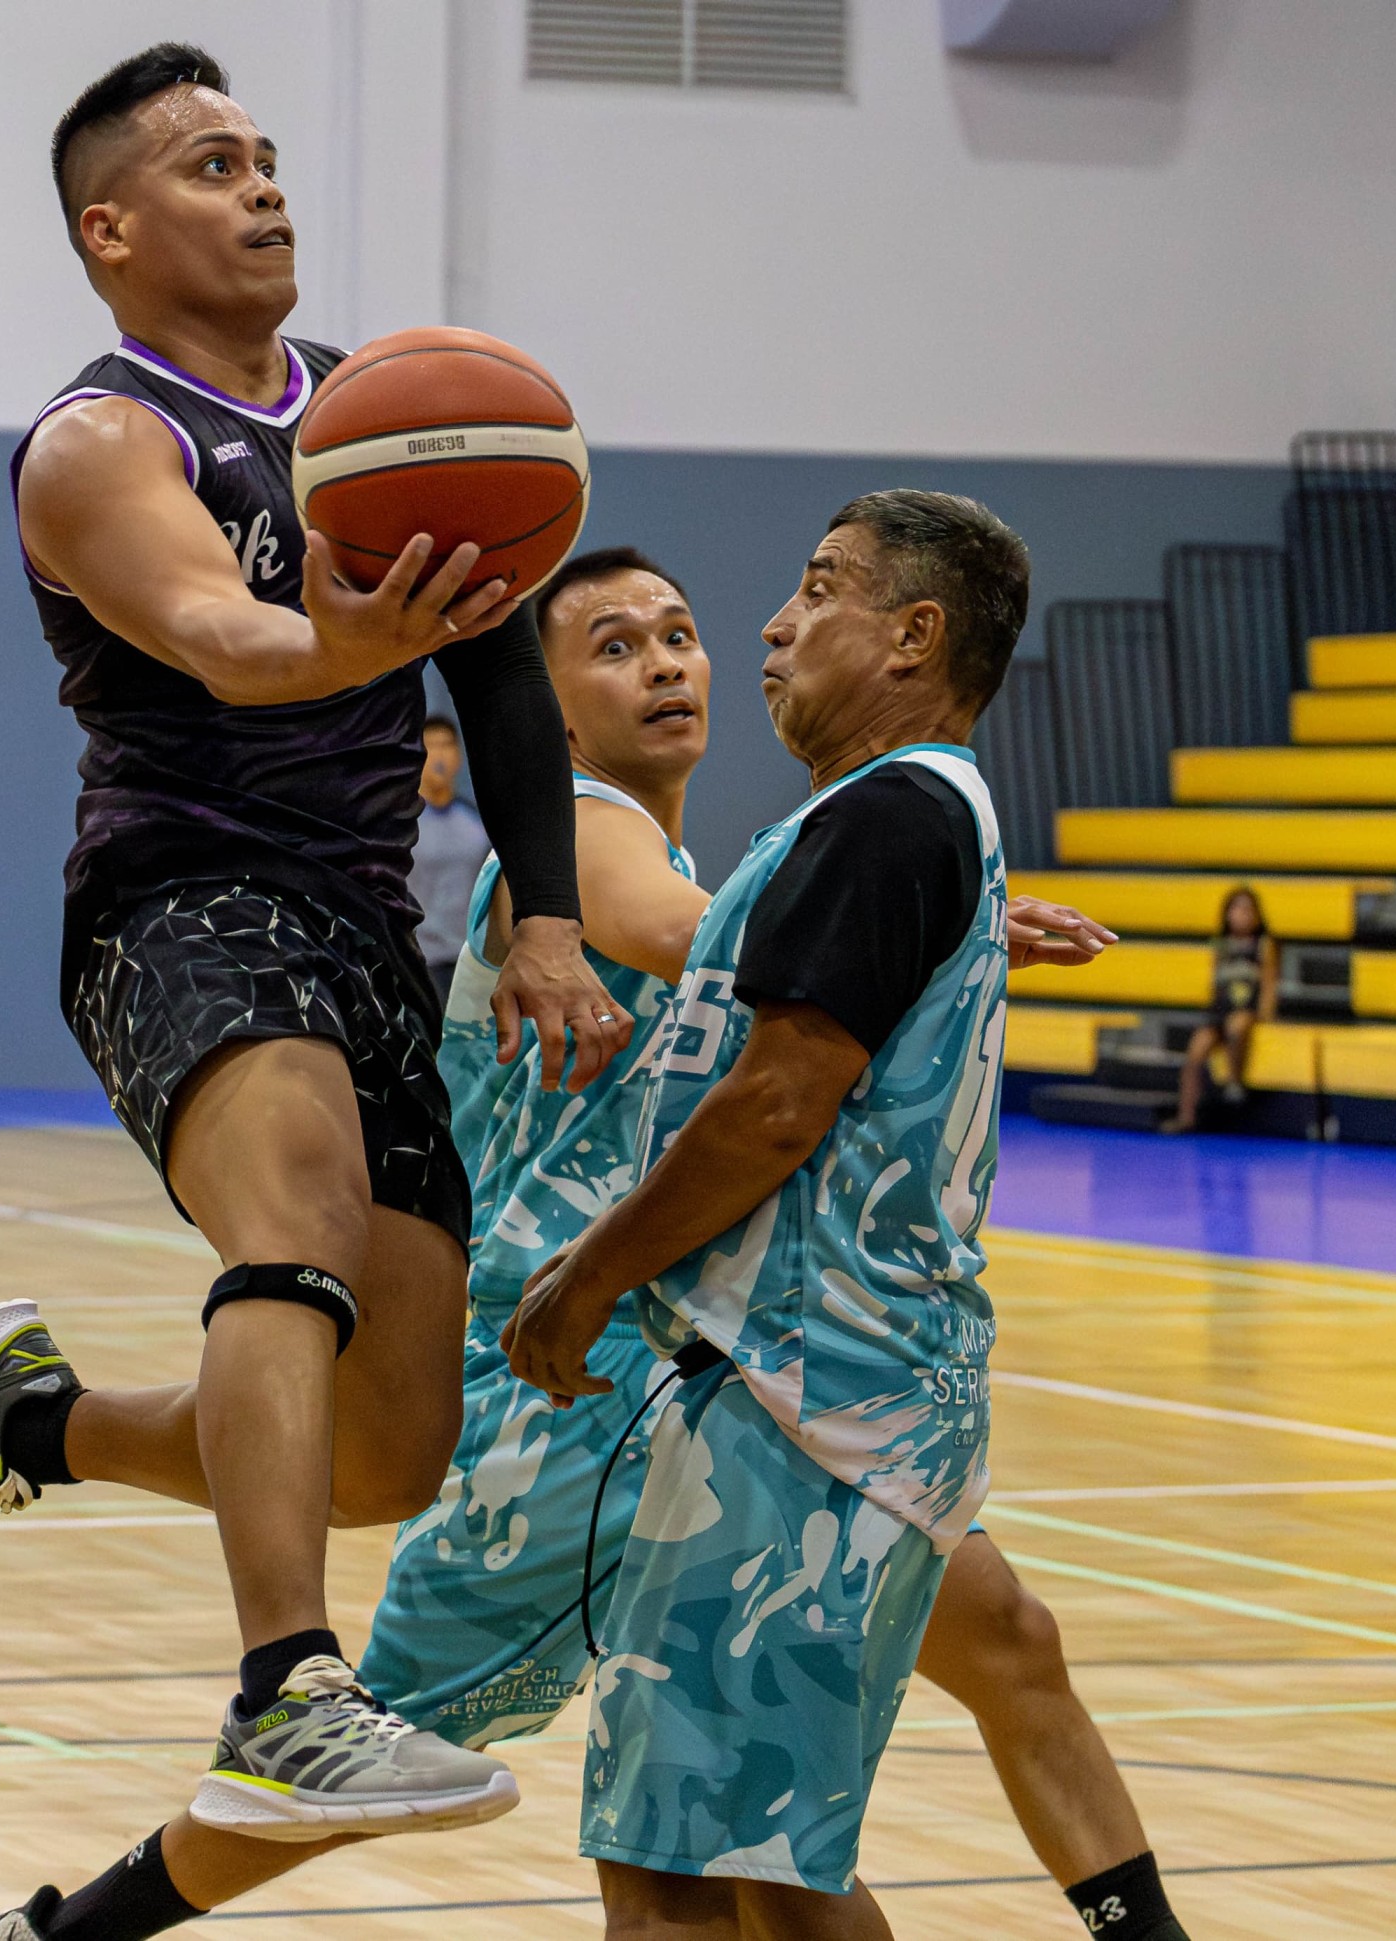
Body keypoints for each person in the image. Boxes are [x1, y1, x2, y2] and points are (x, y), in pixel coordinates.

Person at [0, 547, 1188, 1941]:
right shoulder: (583, 839)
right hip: (559, 1392)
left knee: (975, 1659)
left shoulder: (734, 852)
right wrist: (906, 912)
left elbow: (757, 940)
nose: (662, 661)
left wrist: (906, 912)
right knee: (504, 1795)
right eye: (610, 646)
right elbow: (697, 937)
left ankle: (41, 1430)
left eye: (678, 630)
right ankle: (60, 1926)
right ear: (541, 713)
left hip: (709, 1373)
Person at [0, 40, 630, 1853]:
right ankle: (286, 1698)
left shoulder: (392, 411)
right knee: (295, 1229)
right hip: (180, 893)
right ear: (109, 232)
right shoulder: (98, 443)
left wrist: (548, 918)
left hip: (362, 921)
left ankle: (31, 1430)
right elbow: (227, 636)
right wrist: (345, 637)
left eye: (267, 155)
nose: (263, 185)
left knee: (388, 1452)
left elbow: (500, 675)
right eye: (210, 165)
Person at [506, 493, 1149, 1940]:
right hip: (807, 1388)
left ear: (914, 635)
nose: (773, 627)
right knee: (709, 1863)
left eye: (818, 591)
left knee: (727, 1872)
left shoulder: (892, 814)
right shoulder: (885, 827)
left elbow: (777, 1106)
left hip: (806, 1395)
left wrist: (591, 1277)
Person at [1161, 886, 1275, 1135]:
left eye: (1247, 910)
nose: (1241, 915)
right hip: (1219, 1012)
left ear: (1256, 915)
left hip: (1247, 1010)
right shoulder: (1220, 945)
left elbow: (1268, 984)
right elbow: (1215, 983)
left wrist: (1267, 1014)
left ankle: (1234, 1082)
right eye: (1236, 909)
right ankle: (1186, 1116)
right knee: (1195, 1051)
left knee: (1238, 1025)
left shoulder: (1262, 946)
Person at [408, 716, 490, 990]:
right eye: (430, 746)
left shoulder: (478, 825)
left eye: (446, 745)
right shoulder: (402, 827)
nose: (439, 755)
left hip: (469, 962)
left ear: (458, 756)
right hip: (418, 962)